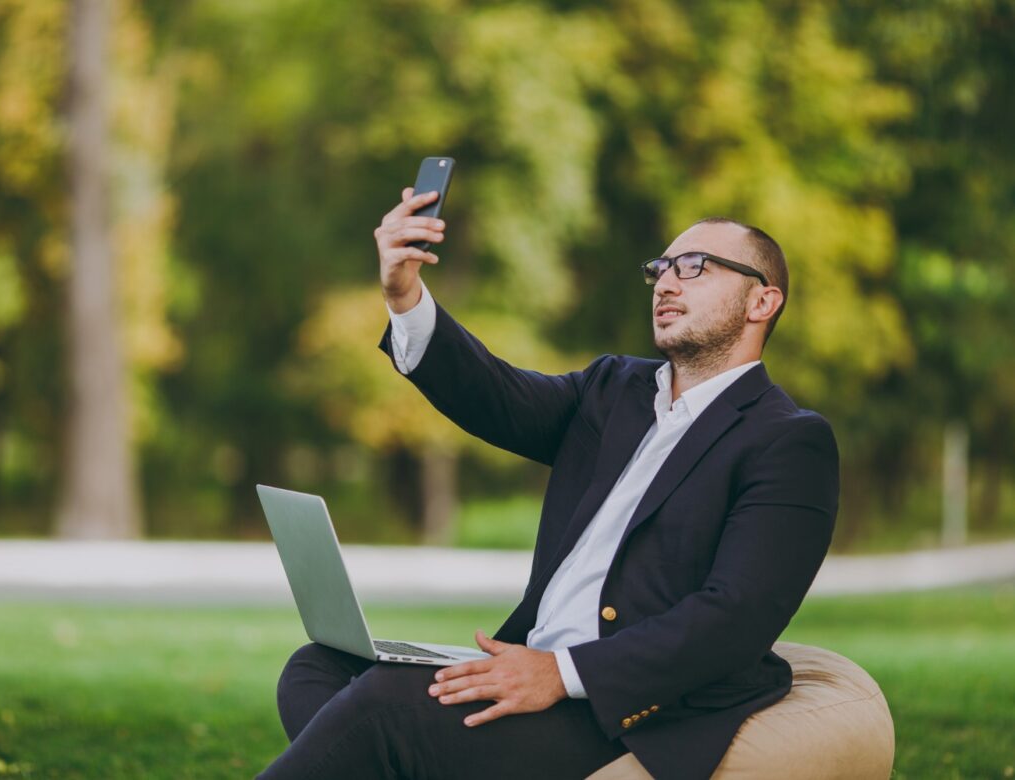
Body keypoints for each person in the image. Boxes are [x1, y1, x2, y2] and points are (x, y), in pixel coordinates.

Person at [258, 188, 839, 780]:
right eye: (660, 269)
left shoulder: (787, 441)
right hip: (528, 667)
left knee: (380, 707)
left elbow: (734, 619)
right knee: (320, 668)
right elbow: (495, 397)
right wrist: (404, 295)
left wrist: (560, 674)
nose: (666, 284)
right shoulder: (614, 389)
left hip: (624, 711)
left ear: (761, 301)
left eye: (694, 268)